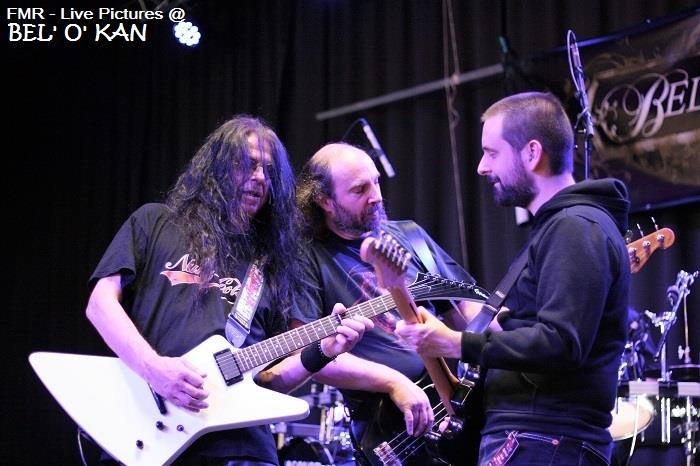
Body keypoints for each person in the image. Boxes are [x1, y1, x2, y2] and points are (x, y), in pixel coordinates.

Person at [85, 116, 373, 466]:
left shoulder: (273, 261)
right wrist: (154, 369)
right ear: (216, 166)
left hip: (242, 449)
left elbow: (268, 380)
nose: (260, 178)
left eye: (269, 171)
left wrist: (323, 352)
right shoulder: (155, 222)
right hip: (148, 433)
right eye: (247, 164)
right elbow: (100, 305)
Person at [395, 91, 631, 465]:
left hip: (547, 441)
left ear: (532, 153)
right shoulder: (559, 227)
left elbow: (561, 342)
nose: (481, 167)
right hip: (534, 439)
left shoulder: (575, 227)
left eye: (492, 153)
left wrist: (456, 342)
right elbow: (539, 335)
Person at [293, 142, 484, 465]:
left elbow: (466, 312)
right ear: (324, 200)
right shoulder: (306, 257)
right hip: (388, 426)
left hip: (450, 408)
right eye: (360, 189)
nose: (377, 196)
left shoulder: (410, 236)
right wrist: (393, 382)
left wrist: (504, 340)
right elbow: (306, 355)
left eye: (376, 182)